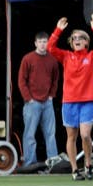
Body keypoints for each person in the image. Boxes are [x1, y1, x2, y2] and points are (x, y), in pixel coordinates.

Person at [47, 14, 93, 180]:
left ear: (86, 42)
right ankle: (75, 170)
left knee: (85, 135)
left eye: (81, 37)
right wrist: (58, 30)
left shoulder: (92, 56)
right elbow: (50, 48)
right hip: (69, 102)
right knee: (71, 136)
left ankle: (88, 164)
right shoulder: (66, 56)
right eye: (74, 37)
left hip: (88, 101)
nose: (77, 39)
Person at [17, 31, 60, 167]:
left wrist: (52, 95)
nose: (43, 44)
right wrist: (28, 98)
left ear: (48, 43)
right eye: (40, 42)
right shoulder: (28, 59)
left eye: (45, 42)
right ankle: (30, 163)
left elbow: (55, 79)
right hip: (32, 103)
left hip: (47, 102)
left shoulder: (52, 60)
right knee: (30, 134)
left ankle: (53, 162)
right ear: (35, 43)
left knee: (50, 134)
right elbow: (21, 80)